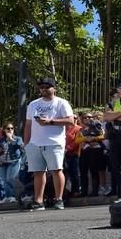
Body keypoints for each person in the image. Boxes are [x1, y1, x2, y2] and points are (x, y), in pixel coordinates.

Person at [23, 77, 74, 210]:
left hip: (54, 142)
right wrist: (26, 143)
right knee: (38, 172)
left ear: (54, 88)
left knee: (56, 170)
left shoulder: (62, 103)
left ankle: (59, 199)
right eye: (42, 87)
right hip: (35, 143)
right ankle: (38, 201)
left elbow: (70, 121)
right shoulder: (33, 104)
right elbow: (28, 125)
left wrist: (50, 121)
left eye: (47, 87)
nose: (44, 89)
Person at [77, 113, 105, 197]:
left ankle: (95, 191)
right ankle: (84, 191)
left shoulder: (97, 126)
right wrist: (85, 138)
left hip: (95, 151)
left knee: (94, 171)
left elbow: (103, 136)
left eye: (89, 117)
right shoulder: (81, 130)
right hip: (84, 151)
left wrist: (94, 138)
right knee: (83, 172)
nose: (87, 118)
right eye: (85, 117)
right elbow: (76, 140)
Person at [0, 122, 24, 203]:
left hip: (14, 161)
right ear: (4, 130)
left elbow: (20, 146)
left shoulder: (18, 138)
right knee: (4, 181)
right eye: (8, 128)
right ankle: (8, 197)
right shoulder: (2, 140)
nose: (10, 130)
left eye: (12, 128)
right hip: (3, 162)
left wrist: (11, 139)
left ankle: (19, 194)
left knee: (10, 178)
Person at [64, 114, 83, 197]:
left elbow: (77, 142)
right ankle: (66, 191)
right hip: (63, 154)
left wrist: (68, 148)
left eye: (75, 118)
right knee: (65, 173)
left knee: (74, 173)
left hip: (74, 154)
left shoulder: (79, 128)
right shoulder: (63, 129)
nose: (74, 119)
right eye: (72, 118)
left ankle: (76, 190)